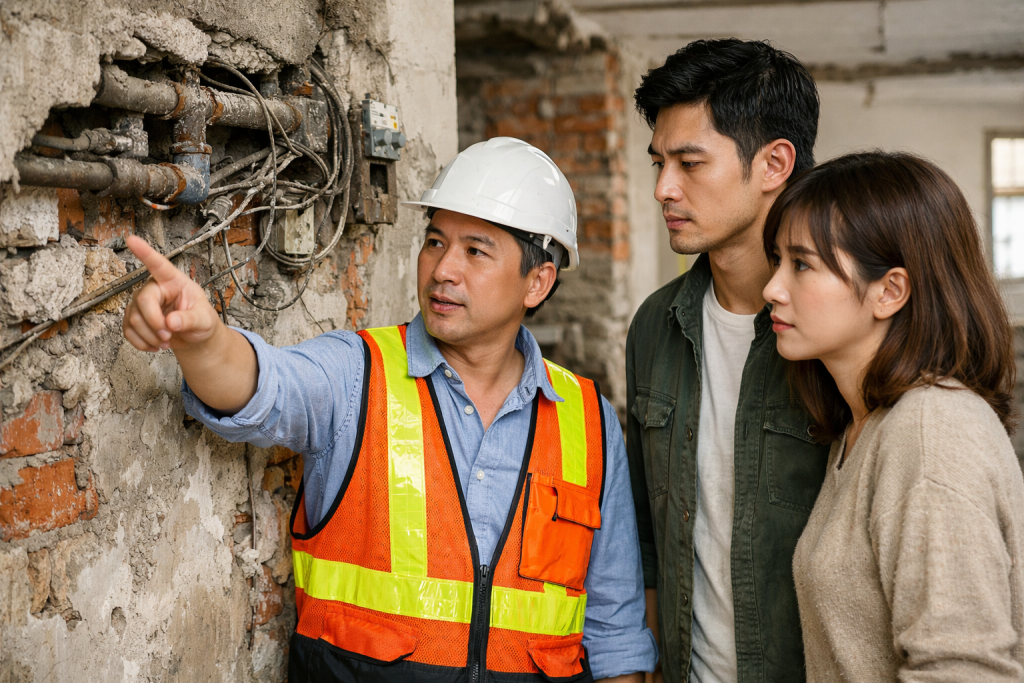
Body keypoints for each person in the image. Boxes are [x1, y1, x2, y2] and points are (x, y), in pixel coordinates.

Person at [121, 137, 658, 683]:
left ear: (537, 282)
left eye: (475, 251)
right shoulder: (358, 373)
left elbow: (614, 631)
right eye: (434, 241)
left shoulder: (589, 420)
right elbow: (264, 387)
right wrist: (203, 341)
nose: (443, 269)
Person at [763, 151, 1024, 680]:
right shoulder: (866, 424)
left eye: (802, 264)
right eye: (777, 261)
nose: (772, 288)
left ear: (889, 291)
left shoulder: (930, 432)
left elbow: (962, 669)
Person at [627, 39, 825, 683]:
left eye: (690, 163)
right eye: (659, 163)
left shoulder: (835, 331)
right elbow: (649, 537)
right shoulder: (655, 326)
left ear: (773, 164)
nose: (663, 189)